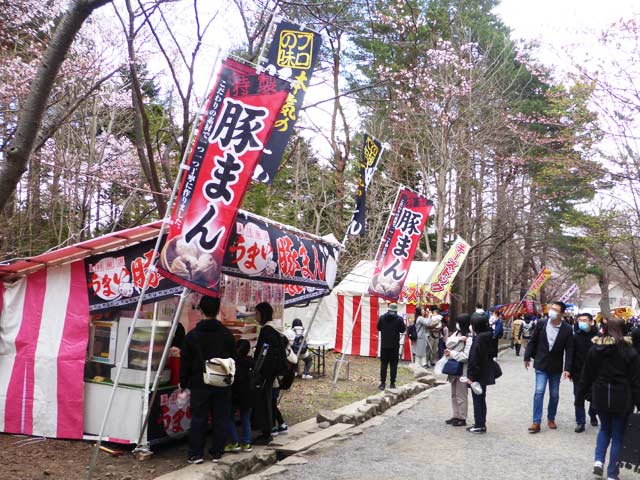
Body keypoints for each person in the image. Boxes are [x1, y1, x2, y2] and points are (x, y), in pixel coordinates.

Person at [577, 318, 640, 480]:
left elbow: (586, 375)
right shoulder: (630, 352)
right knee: (618, 435)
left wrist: (580, 396)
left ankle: (598, 461)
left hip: (601, 396)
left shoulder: (595, 350)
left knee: (604, 429)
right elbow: (636, 381)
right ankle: (613, 474)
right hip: (623, 399)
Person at [180, 296, 236, 464]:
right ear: (218, 310)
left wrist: (183, 382)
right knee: (221, 417)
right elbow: (233, 358)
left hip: (199, 383)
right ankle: (217, 452)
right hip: (222, 383)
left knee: (199, 418)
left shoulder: (192, 336)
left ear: (201, 311)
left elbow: (185, 361)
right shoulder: (227, 334)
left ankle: (196, 453)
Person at [524, 301, 574, 434]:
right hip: (541, 363)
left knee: (554, 394)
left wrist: (567, 368)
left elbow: (569, 350)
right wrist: (527, 356)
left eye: (555, 309)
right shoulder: (541, 323)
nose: (552, 311)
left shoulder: (567, 329)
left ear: (561, 313)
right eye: (551, 308)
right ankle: (536, 421)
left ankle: (551, 418)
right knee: (539, 391)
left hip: (556, 366)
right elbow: (533, 340)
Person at [252, 302, 287, 445]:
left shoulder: (267, 330)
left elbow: (263, 353)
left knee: (265, 402)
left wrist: (258, 369)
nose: (255, 316)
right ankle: (268, 430)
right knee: (268, 401)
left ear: (262, 314)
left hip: (267, 372)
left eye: (256, 313)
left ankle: (267, 433)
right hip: (273, 371)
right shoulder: (276, 329)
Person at [466, 312, 498, 434]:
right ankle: (480, 423)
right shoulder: (488, 336)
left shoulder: (479, 339)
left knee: (478, 399)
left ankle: (479, 424)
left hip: (478, 374)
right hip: (485, 371)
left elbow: (474, 359)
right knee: (481, 398)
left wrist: (471, 377)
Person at [225, 339, 254, 453]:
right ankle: (247, 443)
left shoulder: (232, 362)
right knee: (246, 418)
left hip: (234, 394)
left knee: (228, 417)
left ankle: (234, 442)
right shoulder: (251, 362)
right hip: (248, 394)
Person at [571, 313, 598, 433]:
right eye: (580, 320)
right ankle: (580, 422)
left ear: (591, 322)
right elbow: (571, 355)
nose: (581, 322)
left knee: (595, 398)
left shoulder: (599, 336)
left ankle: (592, 413)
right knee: (578, 397)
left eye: (585, 320)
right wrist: (569, 371)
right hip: (578, 372)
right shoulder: (575, 336)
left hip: (595, 373)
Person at [444, 314, 472, 427]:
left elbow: (466, 356)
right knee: (454, 394)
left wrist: (452, 353)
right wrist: (458, 339)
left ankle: (462, 417)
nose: (457, 325)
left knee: (461, 395)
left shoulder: (469, 337)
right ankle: (455, 415)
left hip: (462, 370)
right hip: (453, 368)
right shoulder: (456, 334)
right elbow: (448, 343)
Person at [377, 303, 406, 390]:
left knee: (383, 365)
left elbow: (378, 328)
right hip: (394, 346)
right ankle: (392, 383)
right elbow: (402, 330)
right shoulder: (399, 319)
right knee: (394, 365)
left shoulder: (382, 318)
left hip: (384, 345)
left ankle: (382, 383)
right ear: (396, 311)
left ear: (388, 310)